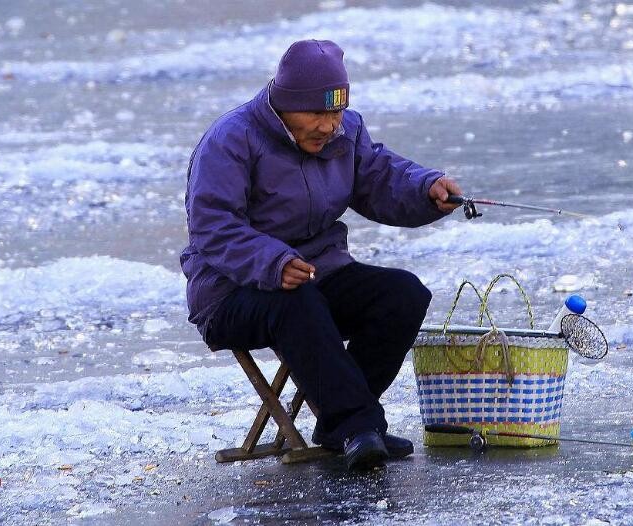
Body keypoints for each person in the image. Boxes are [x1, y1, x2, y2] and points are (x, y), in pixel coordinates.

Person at [180, 39, 461, 470]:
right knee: (298, 301)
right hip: (230, 291)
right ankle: (355, 425)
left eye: (335, 113)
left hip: (314, 273)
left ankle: (342, 423)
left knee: (403, 294)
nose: (329, 125)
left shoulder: (346, 130)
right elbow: (213, 226)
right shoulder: (232, 138)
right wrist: (272, 263)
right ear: (283, 106)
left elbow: (382, 178)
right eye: (316, 113)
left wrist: (426, 189)